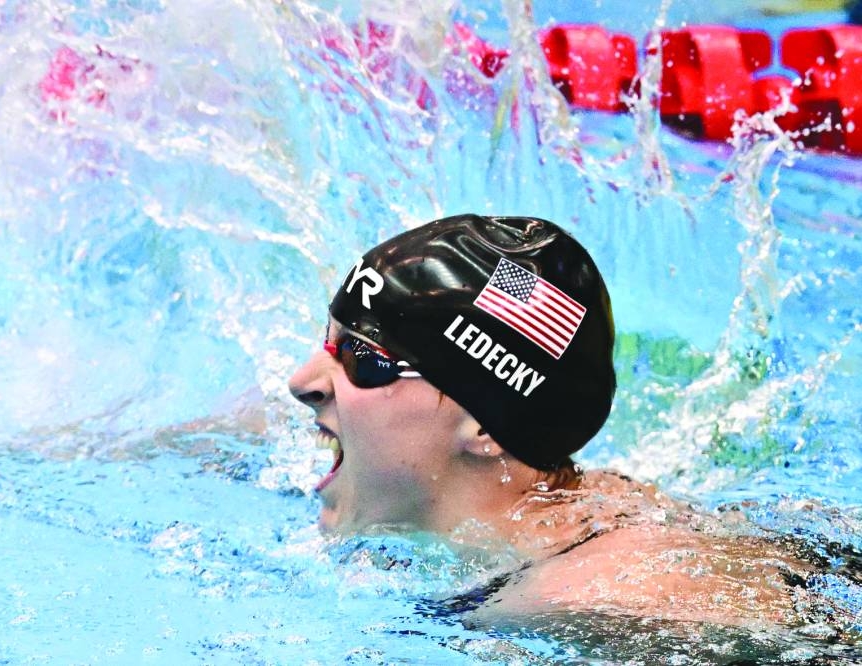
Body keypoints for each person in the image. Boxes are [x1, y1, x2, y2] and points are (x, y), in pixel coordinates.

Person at [287, 213, 825, 630]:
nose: (302, 381)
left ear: (487, 427)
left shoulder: (605, 596)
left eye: (362, 358)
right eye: (326, 340)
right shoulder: (524, 554)